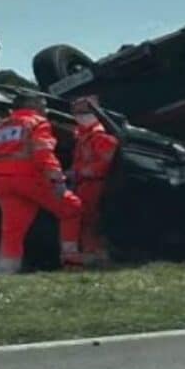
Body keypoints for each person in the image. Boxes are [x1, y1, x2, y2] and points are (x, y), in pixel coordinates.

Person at [0, 91, 84, 273]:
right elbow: (43, 153)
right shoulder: (37, 123)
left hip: (1, 181)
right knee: (72, 208)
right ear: (34, 106)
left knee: (12, 229)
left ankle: (7, 270)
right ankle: (71, 262)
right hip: (30, 177)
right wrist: (57, 179)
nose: (46, 109)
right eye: (43, 105)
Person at [70, 97, 120, 267]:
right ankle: (91, 253)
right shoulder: (82, 135)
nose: (78, 116)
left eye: (82, 112)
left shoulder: (100, 135)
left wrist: (80, 172)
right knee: (84, 220)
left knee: (91, 221)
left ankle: (97, 255)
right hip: (84, 183)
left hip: (95, 184)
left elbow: (105, 163)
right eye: (76, 112)